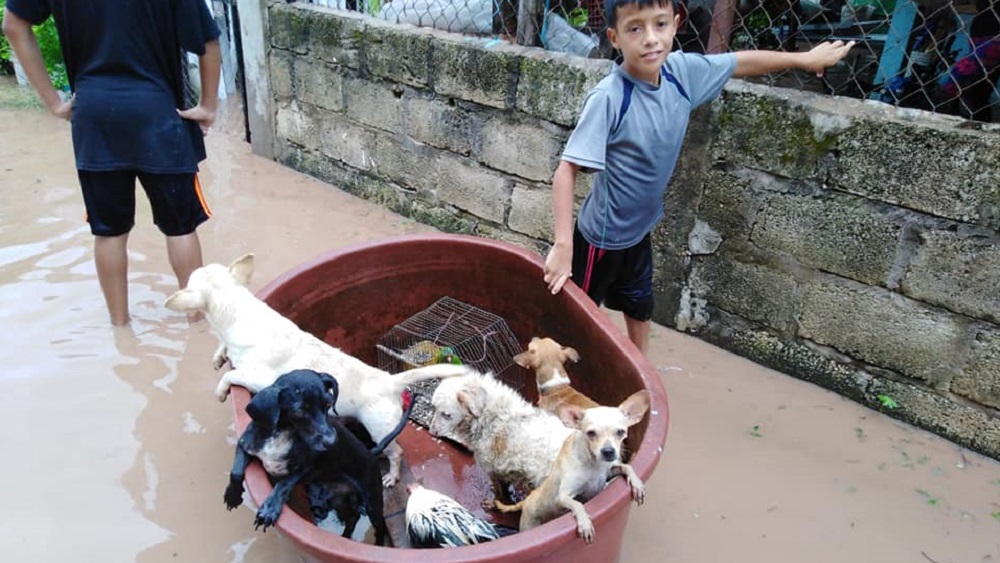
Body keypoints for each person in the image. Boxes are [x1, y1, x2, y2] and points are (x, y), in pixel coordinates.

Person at [542, 0, 853, 355]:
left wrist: (804, 59)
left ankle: (642, 382)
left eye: (659, 25)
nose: (650, 39)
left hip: (638, 234)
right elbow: (565, 171)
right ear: (614, 38)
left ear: (675, 25)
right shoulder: (611, 98)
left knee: (641, 309)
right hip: (598, 240)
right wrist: (564, 246)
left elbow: (739, 61)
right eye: (635, 29)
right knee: (572, 322)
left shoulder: (682, 73)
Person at [3, 0, 222, 326]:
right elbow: (208, 43)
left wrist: (54, 103)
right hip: (158, 114)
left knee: (109, 232)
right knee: (180, 226)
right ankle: (197, 326)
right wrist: (207, 105)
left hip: (95, 117)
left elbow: (13, 24)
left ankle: (120, 329)